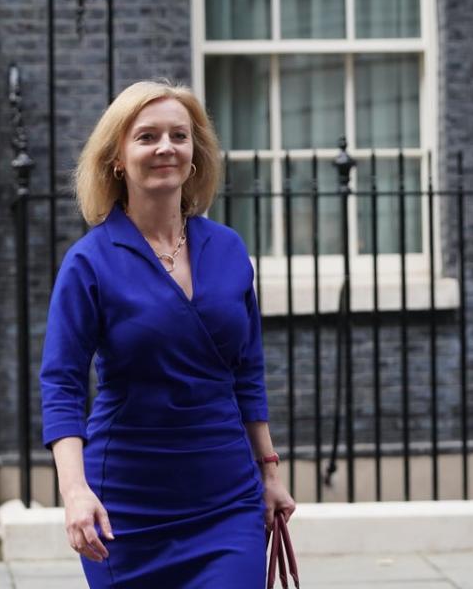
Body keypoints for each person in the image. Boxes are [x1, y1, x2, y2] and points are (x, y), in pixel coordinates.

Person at [39, 80, 296, 588]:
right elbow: (62, 385)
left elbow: (247, 373)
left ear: (194, 154)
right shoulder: (89, 262)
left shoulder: (226, 248)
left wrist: (270, 472)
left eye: (179, 136)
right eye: (147, 136)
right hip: (127, 506)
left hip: (226, 497)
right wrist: (74, 491)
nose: (165, 148)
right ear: (117, 156)